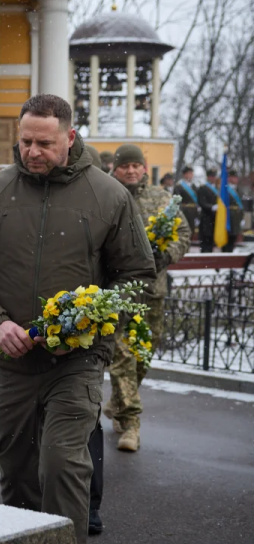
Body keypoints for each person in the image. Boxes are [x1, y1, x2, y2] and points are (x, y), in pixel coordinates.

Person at [0, 94, 156, 544]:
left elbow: (138, 274)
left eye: (45, 142)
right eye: (25, 141)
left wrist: (95, 317)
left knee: (62, 463)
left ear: (71, 138)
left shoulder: (108, 196)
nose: (33, 152)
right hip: (14, 361)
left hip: (77, 361)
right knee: (17, 472)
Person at [107, 144, 190, 453]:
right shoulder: (105, 194)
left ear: (144, 168)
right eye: (124, 165)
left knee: (142, 355)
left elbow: (183, 235)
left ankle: (117, 401)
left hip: (152, 291)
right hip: (117, 292)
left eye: (135, 165)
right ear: (115, 169)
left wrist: (164, 255)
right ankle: (130, 424)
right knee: (122, 355)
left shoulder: (161, 199)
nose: (130, 170)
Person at [196, 168, 220, 253]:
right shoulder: (203, 188)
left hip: (215, 219)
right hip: (206, 218)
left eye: (214, 176)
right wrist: (211, 207)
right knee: (205, 240)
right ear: (208, 177)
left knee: (212, 242)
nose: (212, 178)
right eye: (211, 176)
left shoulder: (218, 188)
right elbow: (201, 202)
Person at [173, 166, 199, 239]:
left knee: (192, 232)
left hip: (193, 212)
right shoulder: (179, 186)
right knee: (184, 232)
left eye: (191, 173)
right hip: (184, 212)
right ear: (184, 175)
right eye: (188, 173)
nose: (190, 175)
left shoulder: (194, 186)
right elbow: (176, 201)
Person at [225, 168, 245, 253]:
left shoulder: (240, 190)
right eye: (232, 177)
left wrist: (243, 218)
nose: (234, 179)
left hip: (236, 218)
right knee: (226, 241)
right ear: (229, 178)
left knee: (233, 240)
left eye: (235, 177)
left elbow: (242, 205)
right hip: (228, 217)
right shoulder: (225, 189)